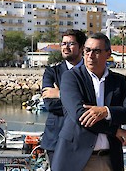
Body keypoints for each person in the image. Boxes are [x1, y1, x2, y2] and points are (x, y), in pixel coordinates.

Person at [52, 33, 126, 171]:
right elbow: (80, 116)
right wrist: (114, 130)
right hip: (75, 159)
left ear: (108, 53)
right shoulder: (71, 77)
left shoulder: (119, 81)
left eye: (96, 51)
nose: (90, 55)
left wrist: (106, 111)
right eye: (87, 50)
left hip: (109, 159)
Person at [39, 29, 87, 165]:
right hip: (56, 139)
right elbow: (51, 105)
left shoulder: (90, 73)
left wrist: (61, 94)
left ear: (81, 47)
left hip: (85, 139)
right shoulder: (51, 72)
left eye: (71, 43)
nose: (65, 47)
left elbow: (95, 101)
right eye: (63, 43)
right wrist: (80, 102)